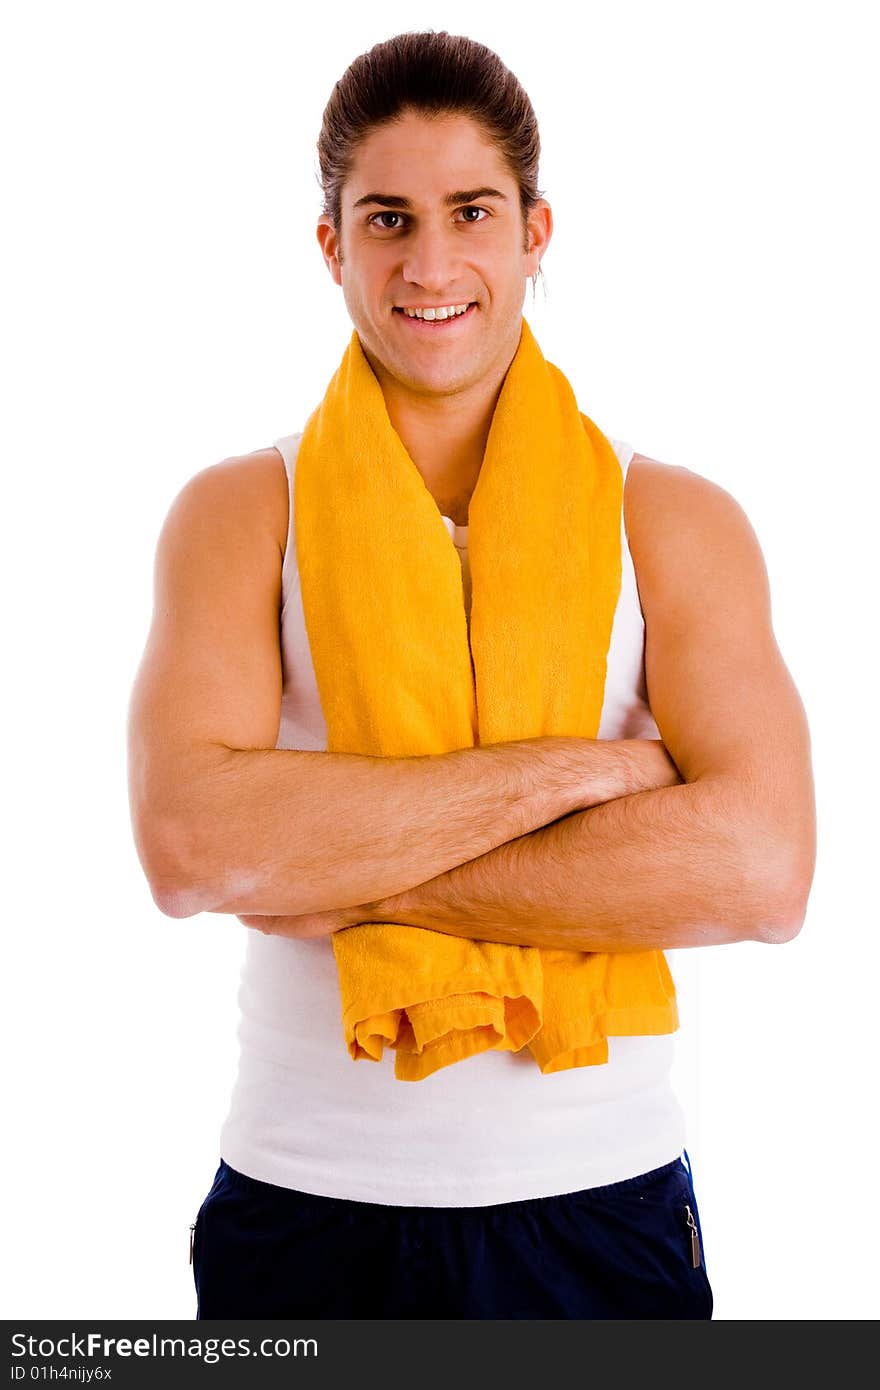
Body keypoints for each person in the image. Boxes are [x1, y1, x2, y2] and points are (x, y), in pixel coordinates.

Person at [126, 30, 815, 1320]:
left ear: (535, 231)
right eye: (387, 218)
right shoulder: (240, 512)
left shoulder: (670, 518)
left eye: (471, 212)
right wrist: (586, 780)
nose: (430, 264)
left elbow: (763, 873)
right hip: (302, 1202)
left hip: (597, 1208)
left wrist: (335, 861)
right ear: (331, 244)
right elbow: (194, 847)